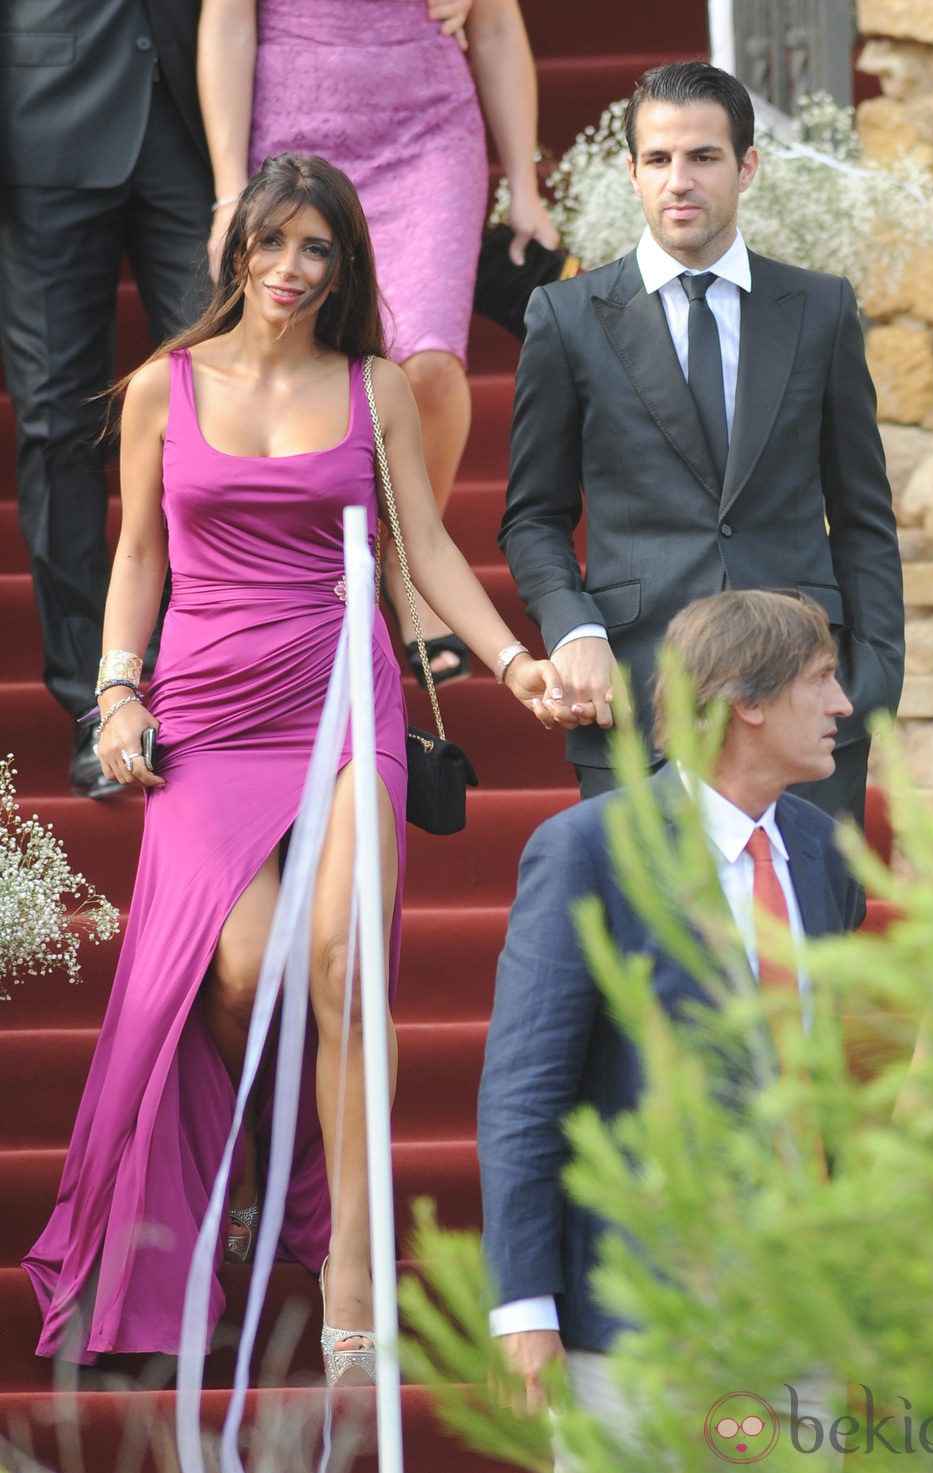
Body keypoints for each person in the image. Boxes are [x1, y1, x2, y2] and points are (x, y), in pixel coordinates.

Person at [22, 152, 572, 1380]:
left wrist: (513, 659)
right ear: (235, 253)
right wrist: (118, 690)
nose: (288, 269)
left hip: (341, 693)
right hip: (208, 708)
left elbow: (424, 547)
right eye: (270, 245)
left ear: (342, 266)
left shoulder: (373, 385)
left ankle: (349, 1279)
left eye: (315, 249)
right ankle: (266, 1167)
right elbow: (136, 564)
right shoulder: (167, 387)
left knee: (336, 960)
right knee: (244, 970)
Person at [478, 589, 864, 1422]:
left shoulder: (822, 850)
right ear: (747, 702)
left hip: (805, 1311)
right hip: (637, 1320)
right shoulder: (591, 850)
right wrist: (523, 1303)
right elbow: (525, 1092)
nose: (844, 703)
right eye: (822, 679)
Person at [499, 60, 905, 824]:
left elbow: (863, 517)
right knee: (654, 945)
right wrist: (574, 628)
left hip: (801, 700)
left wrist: (873, 680)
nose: (678, 180)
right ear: (632, 171)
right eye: (658, 159)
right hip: (638, 694)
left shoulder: (820, 309)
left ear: (746, 167)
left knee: (802, 941)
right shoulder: (567, 316)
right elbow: (532, 517)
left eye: (703, 157)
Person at [197, 0, 558, 686]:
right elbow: (228, 22)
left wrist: (523, 184)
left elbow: (498, 24)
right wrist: (226, 193)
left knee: (426, 360)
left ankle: (407, 563)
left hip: (429, 130)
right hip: (294, 130)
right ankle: (312, 583)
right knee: (315, 359)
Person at [0, 0, 213, 799]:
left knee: (219, 400)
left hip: (192, 116)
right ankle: (96, 703)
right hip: (39, 116)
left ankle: (214, 676)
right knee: (58, 424)